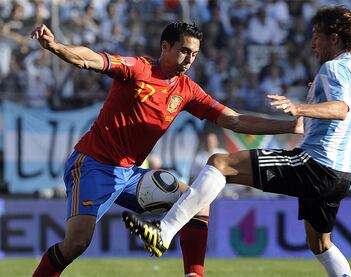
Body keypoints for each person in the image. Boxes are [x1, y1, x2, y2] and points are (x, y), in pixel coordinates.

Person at [30, 22, 303, 277]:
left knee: (198, 203)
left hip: (129, 175)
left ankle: (194, 274)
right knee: (76, 243)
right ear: (165, 47)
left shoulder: (187, 90)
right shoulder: (138, 69)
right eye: (184, 50)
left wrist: (288, 126)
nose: (189, 59)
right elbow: (90, 59)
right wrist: (55, 46)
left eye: (194, 54)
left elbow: (235, 120)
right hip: (93, 165)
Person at [123, 7, 351, 277]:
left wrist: (299, 108)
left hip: (316, 163)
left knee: (220, 163)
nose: (312, 43)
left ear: (334, 38)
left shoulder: (333, 68)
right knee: (320, 244)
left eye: (316, 36)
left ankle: (164, 231)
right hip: (342, 173)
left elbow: (341, 109)